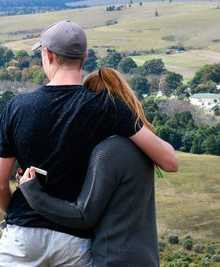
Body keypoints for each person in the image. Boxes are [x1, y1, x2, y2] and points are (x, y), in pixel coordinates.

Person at [0, 20, 178, 267]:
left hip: (22, 237)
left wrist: (18, 215)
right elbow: (170, 161)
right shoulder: (106, 107)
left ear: (48, 55)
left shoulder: (16, 107)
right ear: (84, 57)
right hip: (74, 243)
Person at [17, 68, 171, 266]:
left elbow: (83, 215)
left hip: (114, 260)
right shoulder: (141, 149)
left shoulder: (109, 151)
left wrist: (33, 192)